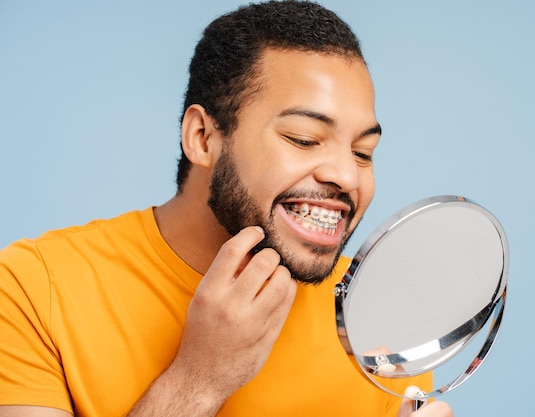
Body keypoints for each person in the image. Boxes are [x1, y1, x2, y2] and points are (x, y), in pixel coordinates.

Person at [0, 1, 453, 416]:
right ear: (202, 138)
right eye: (304, 139)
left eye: (363, 152)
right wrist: (199, 379)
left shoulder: (384, 312)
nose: (348, 177)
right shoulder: (33, 289)